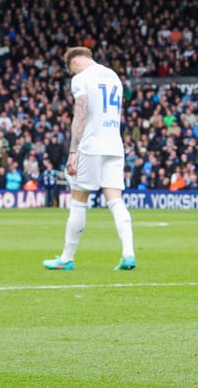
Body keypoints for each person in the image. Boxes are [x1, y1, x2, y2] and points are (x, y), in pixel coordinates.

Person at [44, 47, 136, 271]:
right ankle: (128, 254)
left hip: (91, 145)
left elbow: (81, 113)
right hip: (114, 144)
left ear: (74, 63)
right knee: (115, 199)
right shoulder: (113, 76)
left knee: (78, 199)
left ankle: (66, 258)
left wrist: (73, 151)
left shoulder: (81, 78)